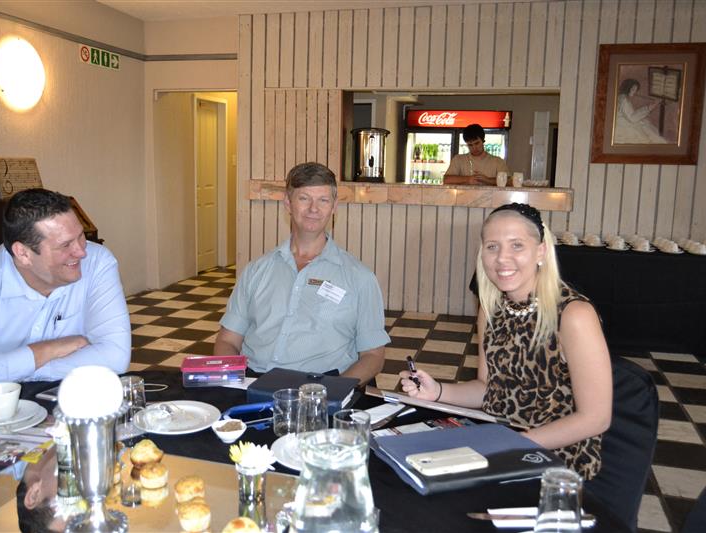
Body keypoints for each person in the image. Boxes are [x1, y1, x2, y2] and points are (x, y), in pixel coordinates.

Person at [399, 203, 612, 479]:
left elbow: (596, 418)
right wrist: (437, 391)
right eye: (492, 247)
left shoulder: (573, 315)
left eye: (517, 245)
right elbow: (488, 389)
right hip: (500, 443)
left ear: (541, 251)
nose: (502, 258)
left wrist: (511, 444)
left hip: (555, 461)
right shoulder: (491, 309)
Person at [0, 188, 130, 404]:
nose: (81, 252)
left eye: (80, 236)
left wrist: (13, 370)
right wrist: (45, 351)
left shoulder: (97, 263)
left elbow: (115, 357)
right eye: (65, 245)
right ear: (23, 253)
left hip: (71, 405)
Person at [214, 162, 390, 384]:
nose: (313, 209)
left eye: (323, 200)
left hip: (321, 386)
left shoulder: (360, 278)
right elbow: (228, 341)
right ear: (288, 203)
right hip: (253, 381)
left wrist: (333, 392)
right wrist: (232, 381)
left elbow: (373, 356)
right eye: (304, 198)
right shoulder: (256, 271)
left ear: (334, 206)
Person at [443, 123, 509, 186]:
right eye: (470, 145)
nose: (474, 148)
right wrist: (468, 179)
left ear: (483, 141)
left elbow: (509, 181)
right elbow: (446, 180)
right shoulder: (458, 159)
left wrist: (488, 180)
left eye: (477, 143)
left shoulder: (497, 161)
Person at [613, 78, 668, 144]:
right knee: (648, 134)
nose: (634, 92)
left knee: (646, 127)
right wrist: (649, 107)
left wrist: (649, 107)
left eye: (635, 90)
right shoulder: (624, 100)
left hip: (623, 121)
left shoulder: (621, 97)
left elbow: (630, 115)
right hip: (623, 125)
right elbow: (632, 118)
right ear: (627, 88)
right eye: (633, 89)